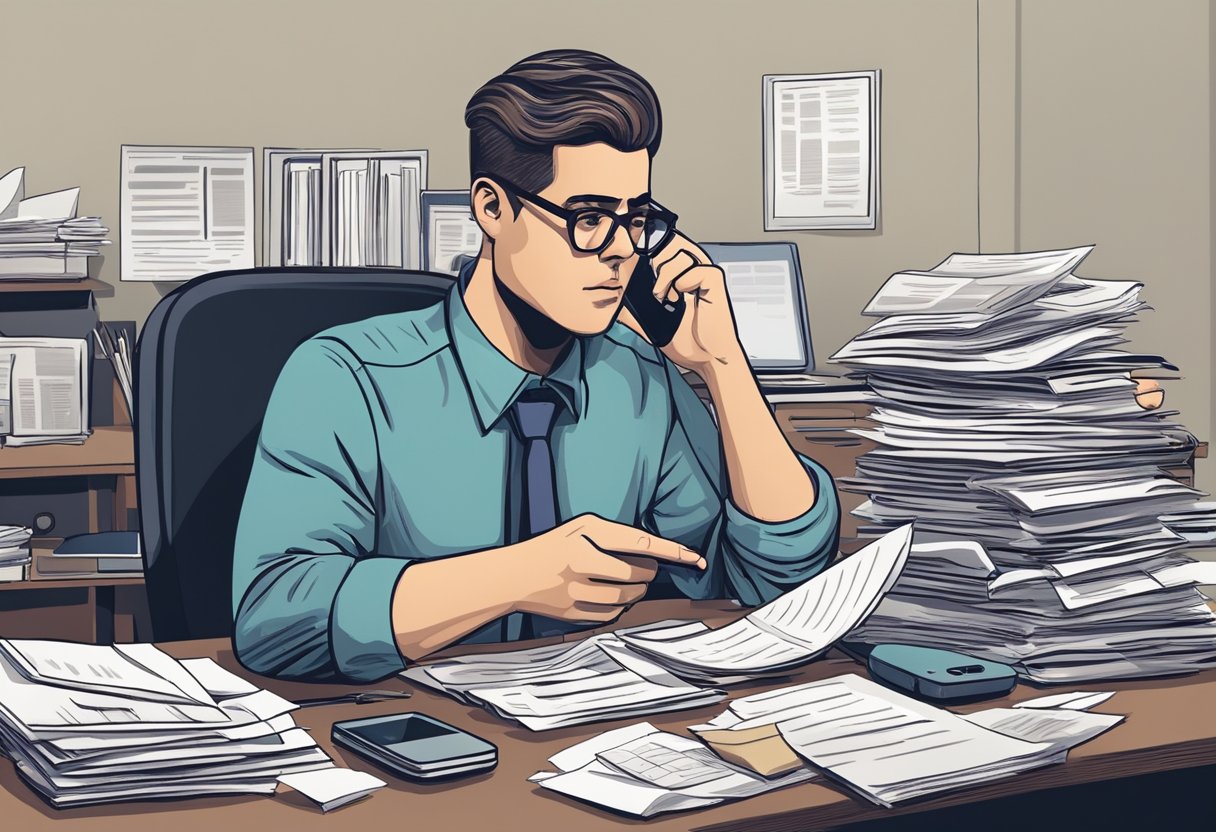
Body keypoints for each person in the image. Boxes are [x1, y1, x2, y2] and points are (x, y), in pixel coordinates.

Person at [230, 49, 842, 682]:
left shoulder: (637, 378)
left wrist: (723, 365)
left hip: (595, 725)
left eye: (636, 219)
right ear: (493, 209)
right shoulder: (346, 377)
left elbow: (778, 588)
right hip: (408, 727)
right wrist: (515, 578)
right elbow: (275, 621)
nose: (622, 252)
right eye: (589, 219)